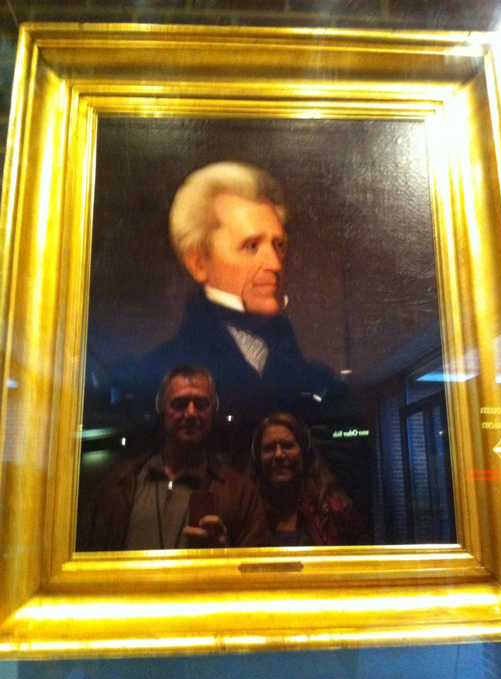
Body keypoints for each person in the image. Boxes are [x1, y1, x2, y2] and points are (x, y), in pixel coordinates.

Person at [134, 161, 351, 434]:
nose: (275, 264)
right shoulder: (154, 372)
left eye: (279, 245)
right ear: (199, 263)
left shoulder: (308, 372)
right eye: (252, 245)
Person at [77, 364, 270, 551]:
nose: (191, 413)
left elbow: (255, 567)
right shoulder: (119, 484)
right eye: (180, 404)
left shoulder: (242, 494)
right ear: (161, 410)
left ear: (213, 412)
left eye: (201, 404)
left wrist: (224, 557)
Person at [252, 413, 370, 547]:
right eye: (269, 448)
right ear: (258, 458)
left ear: (304, 453)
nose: (278, 454)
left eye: (287, 445)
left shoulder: (336, 512)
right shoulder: (248, 513)